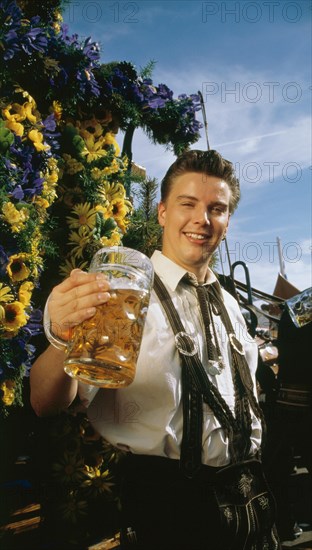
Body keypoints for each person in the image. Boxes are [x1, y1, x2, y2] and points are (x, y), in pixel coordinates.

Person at [30, 150, 279, 550]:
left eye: (217, 208)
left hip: (251, 497)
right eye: (188, 204)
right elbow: (46, 402)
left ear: (228, 222)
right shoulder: (121, 296)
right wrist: (62, 338)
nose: (203, 219)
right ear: (163, 212)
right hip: (170, 509)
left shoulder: (231, 304)